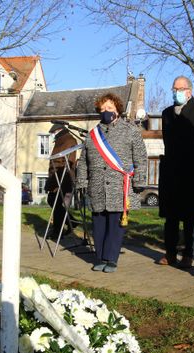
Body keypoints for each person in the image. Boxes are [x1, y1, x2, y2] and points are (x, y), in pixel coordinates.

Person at [76, 93, 147, 273]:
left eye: (109, 108)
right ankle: (100, 257)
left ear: (118, 110)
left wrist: (139, 180)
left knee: (115, 225)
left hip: (120, 185)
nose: (106, 111)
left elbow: (140, 157)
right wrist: (81, 182)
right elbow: (83, 161)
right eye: (102, 109)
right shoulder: (92, 135)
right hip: (97, 186)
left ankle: (111, 258)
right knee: (98, 224)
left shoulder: (130, 130)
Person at [157, 76, 194, 268]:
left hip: (192, 172)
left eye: (180, 88)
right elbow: (167, 141)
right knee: (171, 218)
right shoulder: (166, 113)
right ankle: (170, 253)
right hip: (172, 173)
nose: (177, 92)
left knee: (191, 218)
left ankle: (189, 254)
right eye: (174, 88)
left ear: (189, 91)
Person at [45, 123, 78, 239]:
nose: (53, 134)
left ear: (59, 130)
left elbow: (68, 162)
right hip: (56, 176)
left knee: (57, 204)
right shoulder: (60, 140)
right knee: (53, 202)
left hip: (63, 177)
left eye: (54, 132)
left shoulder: (69, 141)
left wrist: (61, 180)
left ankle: (57, 231)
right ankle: (71, 222)